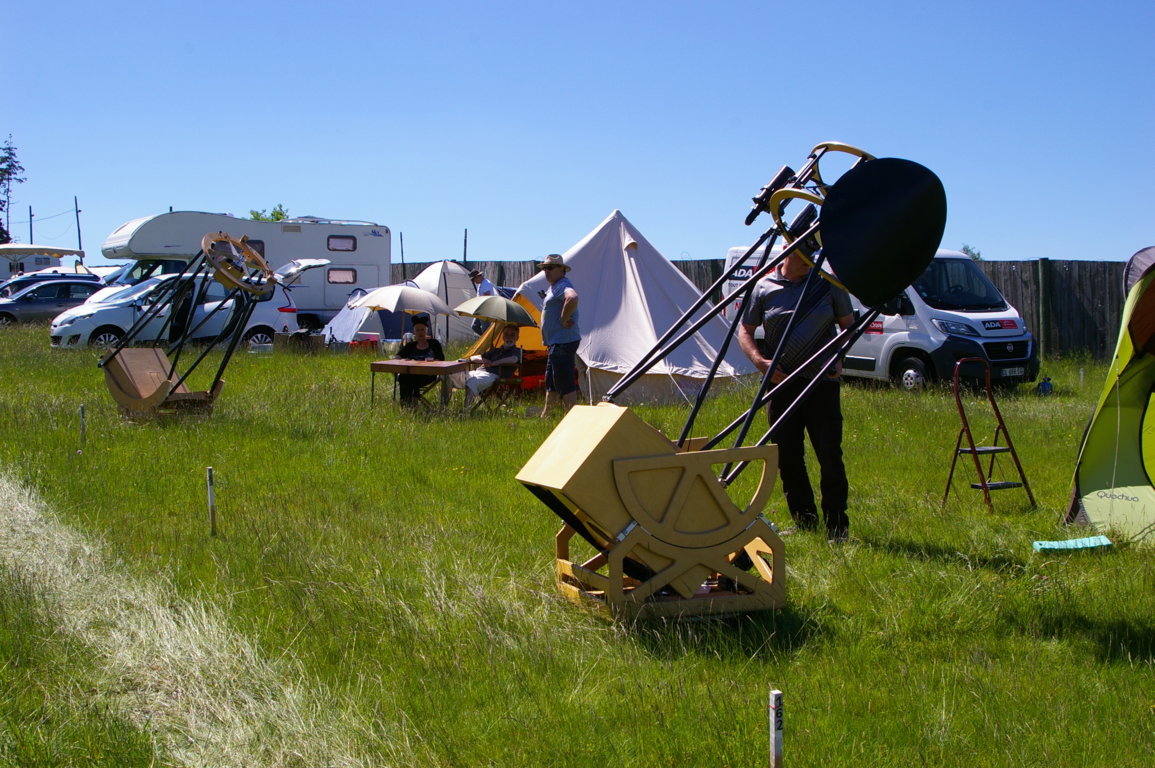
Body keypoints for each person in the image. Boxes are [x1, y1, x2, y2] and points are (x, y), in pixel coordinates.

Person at [738, 252, 854, 541]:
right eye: (803, 256)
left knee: (829, 454)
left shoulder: (828, 284)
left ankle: (837, 526)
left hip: (822, 382)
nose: (810, 261)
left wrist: (839, 357)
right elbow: (745, 330)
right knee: (788, 456)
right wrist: (760, 361)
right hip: (782, 385)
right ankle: (805, 521)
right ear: (788, 252)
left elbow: (849, 326)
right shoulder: (764, 287)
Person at [538, 253, 580, 416]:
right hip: (556, 342)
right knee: (551, 380)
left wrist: (563, 318)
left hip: (563, 341)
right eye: (545, 268)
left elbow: (573, 298)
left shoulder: (563, 285)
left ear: (562, 270)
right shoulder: (554, 287)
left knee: (564, 380)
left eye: (550, 268)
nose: (546, 271)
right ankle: (547, 416)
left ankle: (572, 417)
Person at [463, 324, 523, 407]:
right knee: (451, 377)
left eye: (512, 335)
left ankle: (466, 411)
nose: (509, 337)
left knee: (472, 382)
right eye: (506, 334)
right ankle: (445, 409)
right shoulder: (496, 350)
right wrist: (484, 360)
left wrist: (494, 363)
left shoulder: (517, 351)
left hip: (494, 375)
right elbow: (473, 357)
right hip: (478, 372)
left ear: (517, 338)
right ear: (503, 337)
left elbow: (513, 359)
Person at [395, 314, 445, 403]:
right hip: (410, 374)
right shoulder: (410, 345)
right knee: (404, 377)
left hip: (428, 375)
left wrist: (431, 362)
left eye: (422, 330)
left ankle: (412, 400)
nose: (420, 332)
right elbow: (398, 357)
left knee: (407, 378)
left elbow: (441, 359)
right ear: (414, 332)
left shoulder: (434, 343)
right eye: (417, 330)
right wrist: (405, 360)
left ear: (426, 331)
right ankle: (406, 403)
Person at [469, 269, 498, 335]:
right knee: (474, 326)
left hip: (485, 310)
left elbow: (487, 296)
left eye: (474, 279)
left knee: (485, 330)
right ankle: (484, 339)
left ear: (477, 277)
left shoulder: (486, 284)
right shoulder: (481, 284)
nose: (474, 281)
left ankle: (487, 340)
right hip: (481, 309)